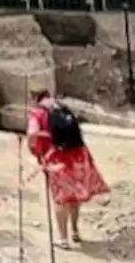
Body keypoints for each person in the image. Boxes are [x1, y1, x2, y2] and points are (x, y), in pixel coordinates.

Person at [27, 89, 110, 249]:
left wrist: (32, 148)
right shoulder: (61, 107)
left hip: (56, 158)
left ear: (35, 98)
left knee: (60, 198)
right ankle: (75, 231)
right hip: (77, 156)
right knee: (74, 197)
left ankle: (63, 239)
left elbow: (32, 133)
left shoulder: (38, 113)